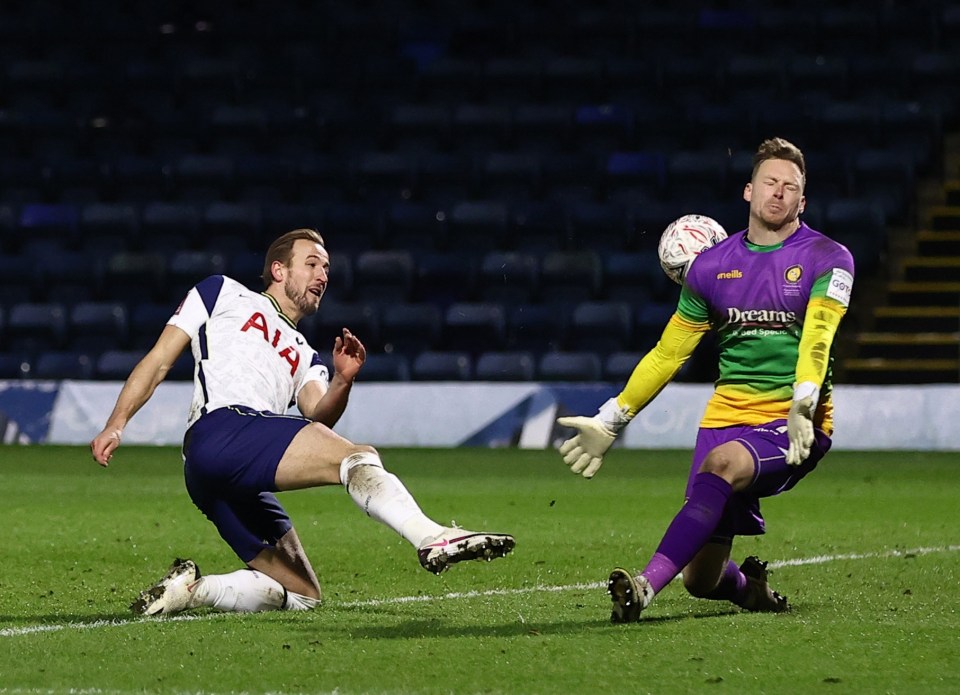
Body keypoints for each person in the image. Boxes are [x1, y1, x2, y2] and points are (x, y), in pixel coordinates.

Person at [91, 228, 514, 616]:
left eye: (326, 267)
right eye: (311, 263)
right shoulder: (222, 292)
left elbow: (318, 414)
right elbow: (160, 360)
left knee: (302, 594)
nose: (322, 274)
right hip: (222, 429)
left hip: (221, 471)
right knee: (357, 457)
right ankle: (431, 536)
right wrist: (117, 422)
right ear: (279, 269)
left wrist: (343, 381)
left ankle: (193, 590)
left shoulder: (306, 353)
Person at [556, 138, 854, 622]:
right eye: (769, 182)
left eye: (790, 187)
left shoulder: (829, 258)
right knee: (701, 578)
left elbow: (817, 337)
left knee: (721, 465)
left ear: (803, 201)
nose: (777, 193)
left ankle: (643, 588)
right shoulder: (711, 268)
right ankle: (752, 591)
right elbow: (668, 354)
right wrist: (612, 419)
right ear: (748, 190)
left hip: (795, 419)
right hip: (726, 416)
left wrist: (803, 404)